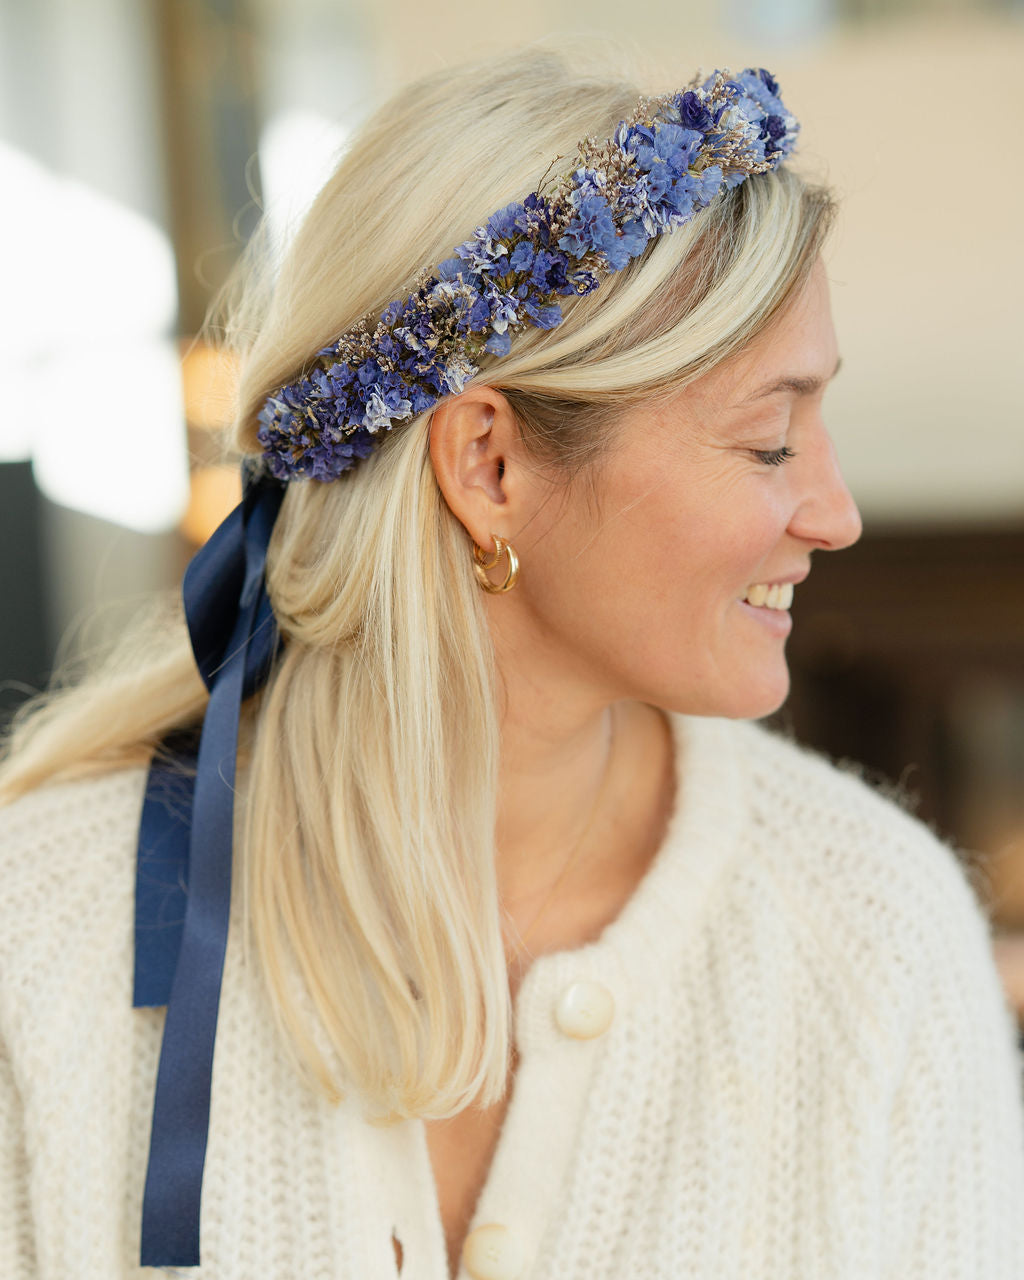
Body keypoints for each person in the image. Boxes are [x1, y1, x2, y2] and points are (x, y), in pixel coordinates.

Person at [1, 45, 1022, 1280]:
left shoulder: (875, 939)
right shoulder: (41, 935)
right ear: (488, 466)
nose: (835, 512)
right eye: (766, 441)